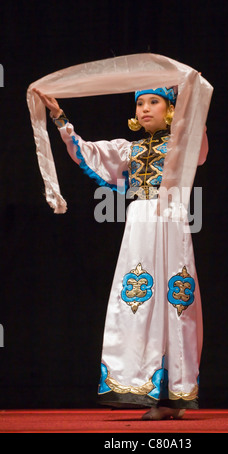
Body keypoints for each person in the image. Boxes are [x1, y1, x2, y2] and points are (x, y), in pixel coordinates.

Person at [33, 85, 208, 420]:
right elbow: (87, 151)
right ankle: (143, 387)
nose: (145, 109)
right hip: (140, 223)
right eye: (140, 103)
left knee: (176, 301)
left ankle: (176, 394)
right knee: (137, 298)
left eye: (154, 102)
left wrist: (190, 99)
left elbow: (198, 147)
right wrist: (59, 117)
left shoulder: (181, 144)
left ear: (170, 109)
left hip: (171, 221)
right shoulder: (129, 149)